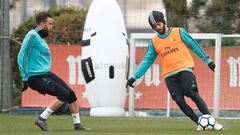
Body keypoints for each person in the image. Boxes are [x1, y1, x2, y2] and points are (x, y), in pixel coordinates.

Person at [126, 10, 223, 131]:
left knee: (191, 93)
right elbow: (146, 61)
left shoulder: (179, 32)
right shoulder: (154, 42)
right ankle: (201, 123)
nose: (157, 27)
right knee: (179, 100)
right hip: (169, 76)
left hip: (184, 69)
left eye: (159, 24)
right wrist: (134, 77)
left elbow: (194, 45)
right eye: (154, 26)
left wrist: (208, 60)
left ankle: (212, 122)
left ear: (163, 21)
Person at [17, 12, 91, 131]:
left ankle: (77, 125)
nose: (51, 27)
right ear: (42, 24)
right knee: (64, 94)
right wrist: (25, 78)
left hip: (45, 74)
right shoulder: (32, 35)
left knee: (71, 94)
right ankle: (41, 119)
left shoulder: (40, 37)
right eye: (50, 24)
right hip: (35, 77)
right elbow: (22, 57)